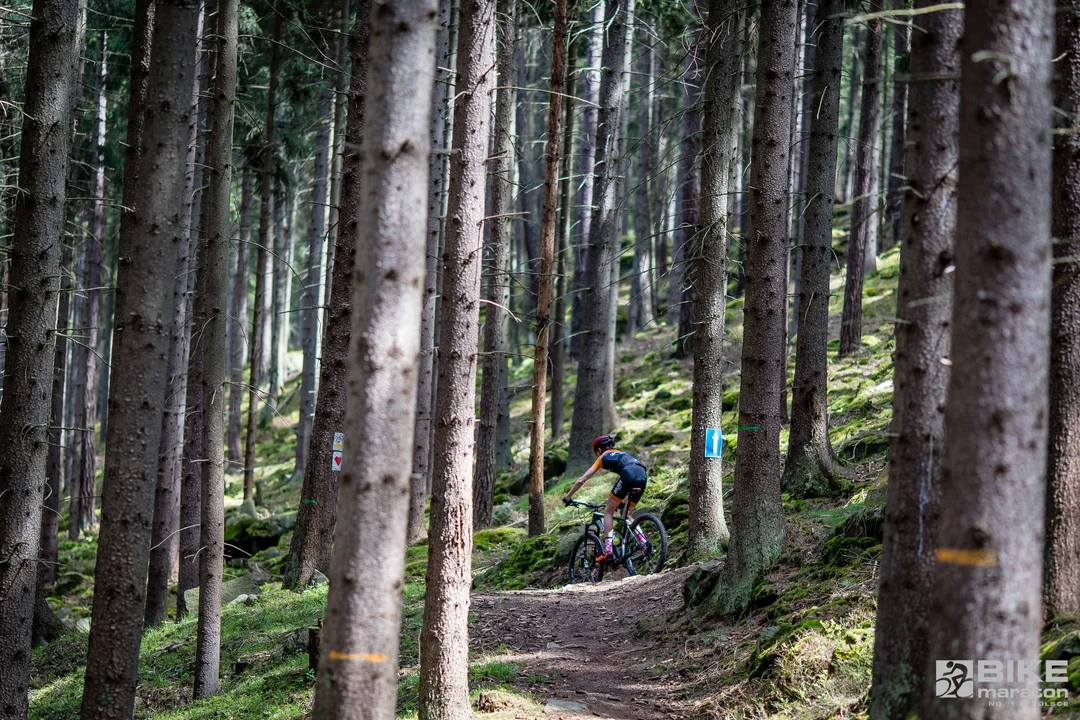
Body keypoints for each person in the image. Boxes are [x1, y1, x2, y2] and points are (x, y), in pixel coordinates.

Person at [562, 435, 648, 562]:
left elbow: (582, 480)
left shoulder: (602, 457)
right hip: (642, 474)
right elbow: (632, 473)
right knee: (627, 516)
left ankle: (609, 551)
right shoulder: (621, 453)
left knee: (608, 512)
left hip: (628, 475)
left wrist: (568, 497)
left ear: (598, 450)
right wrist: (622, 500)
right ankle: (644, 542)